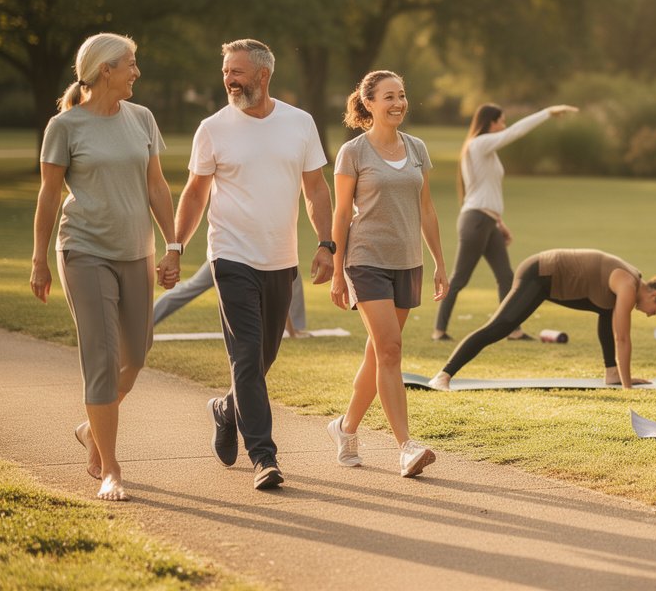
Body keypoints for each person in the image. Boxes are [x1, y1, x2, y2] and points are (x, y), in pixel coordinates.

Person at [173, 39, 334, 491]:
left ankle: (226, 409)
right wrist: (175, 245)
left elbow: (316, 189)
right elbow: (195, 192)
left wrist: (327, 244)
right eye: (226, 71)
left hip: (280, 259)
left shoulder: (299, 123)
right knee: (245, 354)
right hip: (230, 255)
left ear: (263, 75)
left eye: (237, 72)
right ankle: (264, 456)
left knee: (263, 357)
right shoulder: (213, 128)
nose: (229, 79)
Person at [30, 33, 181, 501]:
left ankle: (91, 429)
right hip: (84, 250)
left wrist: (173, 244)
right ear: (104, 71)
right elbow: (50, 196)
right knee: (100, 357)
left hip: (137, 250)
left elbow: (157, 186)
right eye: (130, 64)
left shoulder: (142, 118)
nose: (137, 72)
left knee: (135, 353)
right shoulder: (65, 126)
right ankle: (111, 466)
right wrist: (39, 259)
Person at [325, 70, 448, 477]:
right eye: (389, 97)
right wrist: (339, 270)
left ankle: (345, 429)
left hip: (407, 261)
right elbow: (342, 213)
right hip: (366, 260)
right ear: (369, 103)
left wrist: (439, 264)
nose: (398, 104)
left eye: (402, 96)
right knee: (391, 350)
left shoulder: (416, 148)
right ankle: (406, 447)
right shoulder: (354, 153)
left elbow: (427, 209)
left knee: (379, 352)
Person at [428, 249, 656, 390]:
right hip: (540, 274)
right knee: (500, 327)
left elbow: (611, 323)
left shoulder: (631, 282)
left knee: (607, 311)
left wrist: (620, 377)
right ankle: (444, 375)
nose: (650, 315)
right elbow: (622, 337)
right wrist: (629, 387)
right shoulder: (629, 285)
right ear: (653, 294)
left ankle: (611, 374)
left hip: (555, 281)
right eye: (655, 311)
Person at [431, 102, 578, 342]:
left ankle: (513, 330)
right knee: (460, 278)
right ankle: (439, 330)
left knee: (506, 277)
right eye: (501, 120)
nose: (504, 125)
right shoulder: (479, 144)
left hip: (487, 221)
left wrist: (499, 223)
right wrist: (546, 113)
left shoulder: (485, 149)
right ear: (490, 123)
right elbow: (515, 133)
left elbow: (488, 191)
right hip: (476, 221)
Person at [153, 260, 307, 336]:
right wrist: (292, 333)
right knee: (189, 289)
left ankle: (296, 327)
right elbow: (276, 293)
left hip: (231, 256)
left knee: (293, 274)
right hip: (231, 258)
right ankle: (144, 324)